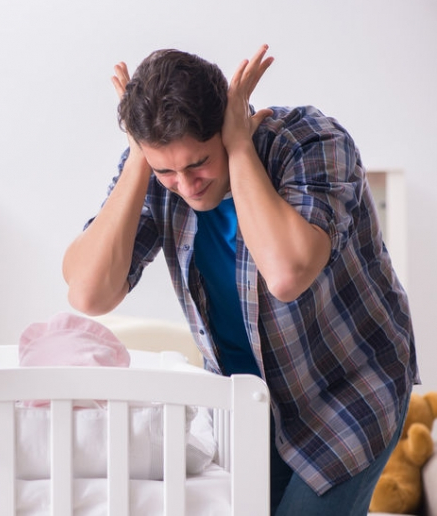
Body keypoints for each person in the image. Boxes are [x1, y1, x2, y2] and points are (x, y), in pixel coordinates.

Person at [62, 44, 418, 516]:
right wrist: (136, 160)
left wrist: (240, 148)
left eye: (198, 164)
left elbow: (287, 273)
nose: (185, 185)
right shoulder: (152, 173)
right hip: (252, 408)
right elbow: (89, 292)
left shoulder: (310, 144)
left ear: (226, 125)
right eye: (165, 169)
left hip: (349, 390)